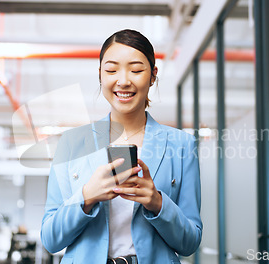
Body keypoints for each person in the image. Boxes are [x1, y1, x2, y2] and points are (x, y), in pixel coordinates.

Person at [41, 29, 202, 264]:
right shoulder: (72, 143)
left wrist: (157, 203)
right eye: (111, 70)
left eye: (136, 70)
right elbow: (50, 239)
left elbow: (189, 243)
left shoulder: (182, 145)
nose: (124, 80)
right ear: (100, 75)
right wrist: (86, 197)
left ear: (153, 75)